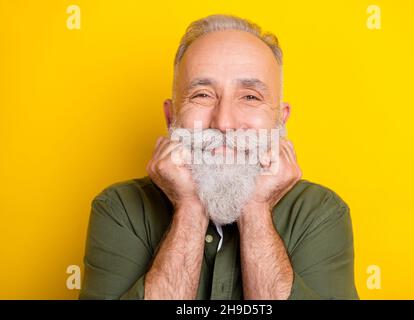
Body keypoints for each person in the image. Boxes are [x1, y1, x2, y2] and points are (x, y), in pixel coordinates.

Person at [80, 14, 358, 300]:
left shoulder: (321, 213)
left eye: (250, 97)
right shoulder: (119, 209)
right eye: (202, 95)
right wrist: (189, 206)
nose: (223, 123)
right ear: (171, 116)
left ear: (281, 122)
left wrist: (256, 208)